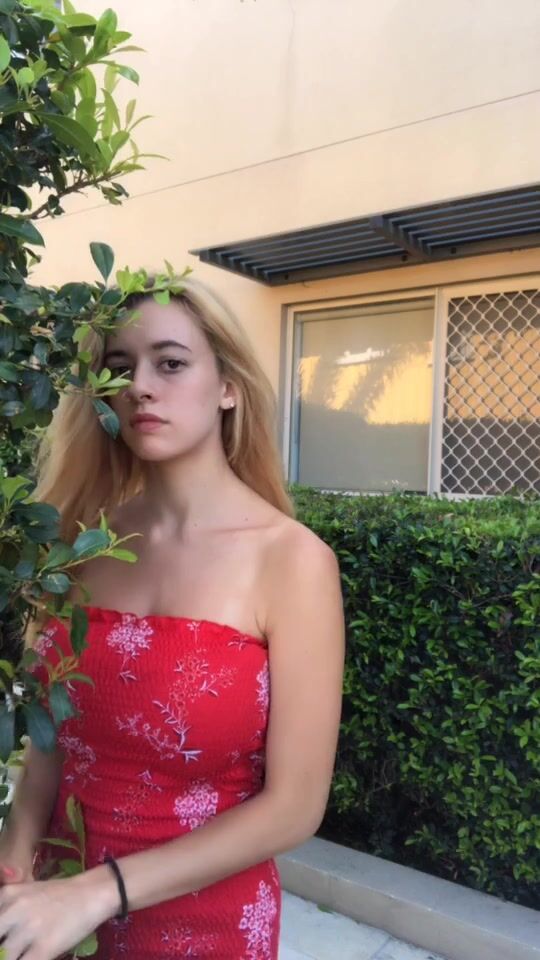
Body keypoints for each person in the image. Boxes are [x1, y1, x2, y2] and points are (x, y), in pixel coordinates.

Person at [0, 277, 345, 960]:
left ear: (228, 387)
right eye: (119, 368)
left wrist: (99, 892)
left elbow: (295, 806)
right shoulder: (82, 545)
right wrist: (14, 864)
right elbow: (48, 744)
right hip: (54, 916)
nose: (139, 388)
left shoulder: (292, 561)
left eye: (171, 363)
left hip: (204, 927)